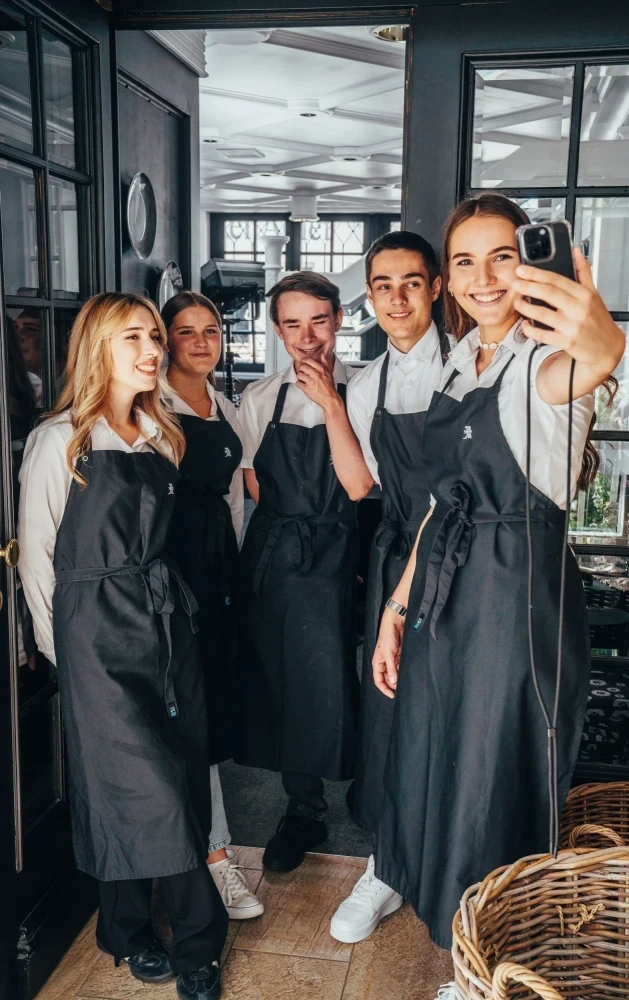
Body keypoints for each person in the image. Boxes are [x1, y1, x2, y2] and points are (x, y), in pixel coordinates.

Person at [372, 193, 625, 953]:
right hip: (445, 593)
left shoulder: (543, 362)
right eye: (465, 261)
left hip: (514, 597)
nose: (483, 278)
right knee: (434, 755)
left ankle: (489, 947)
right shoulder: (459, 363)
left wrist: (602, 334)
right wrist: (396, 608)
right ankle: (438, 909)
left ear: (528, 269)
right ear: (447, 279)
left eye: (503, 258)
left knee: (493, 771)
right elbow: (436, 506)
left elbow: (595, 360)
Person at [18, 292, 228, 1000]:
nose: (152, 350)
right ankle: (196, 941)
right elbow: (37, 557)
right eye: (133, 337)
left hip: (165, 623)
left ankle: (126, 929)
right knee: (141, 784)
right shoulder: (59, 440)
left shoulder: (161, 432)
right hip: (94, 634)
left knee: (176, 773)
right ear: (98, 348)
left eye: (154, 336)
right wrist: (62, 651)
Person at [236, 271, 374, 873]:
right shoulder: (259, 397)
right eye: (293, 323)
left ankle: (375, 795)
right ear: (277, 330)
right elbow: (253, 482)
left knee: (356, 677)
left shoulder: (365, 387)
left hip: (346, 549)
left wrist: (330, 404)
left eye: (319, 320)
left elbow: (362, 484)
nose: (308, 336)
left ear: (339, 319)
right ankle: (303, 809)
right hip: (281, 557)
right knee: (291, 681)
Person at [330, 231, 444, 944]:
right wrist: (329, 402)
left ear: (435, 287)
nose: (396, 299)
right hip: (396, 553)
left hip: (462, 556)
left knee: (447, 708)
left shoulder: (470, 365)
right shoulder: (366, 383)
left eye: (410, 283)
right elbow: (361, 485)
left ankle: (447, 862)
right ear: (369, 297)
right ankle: (387, 864)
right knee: (389, 707)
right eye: (382, 286)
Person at [160, 291, 264, 921]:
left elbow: (233, 501)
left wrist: (236, 572)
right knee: (183, 718)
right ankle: (212, 859)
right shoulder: (151, 408)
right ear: (165, 339)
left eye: (211, 331)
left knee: (208, 712)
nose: (201, 342)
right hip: (171, 574)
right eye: (186, 331)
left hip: (217, 569)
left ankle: (204, 853)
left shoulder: (226, 406)